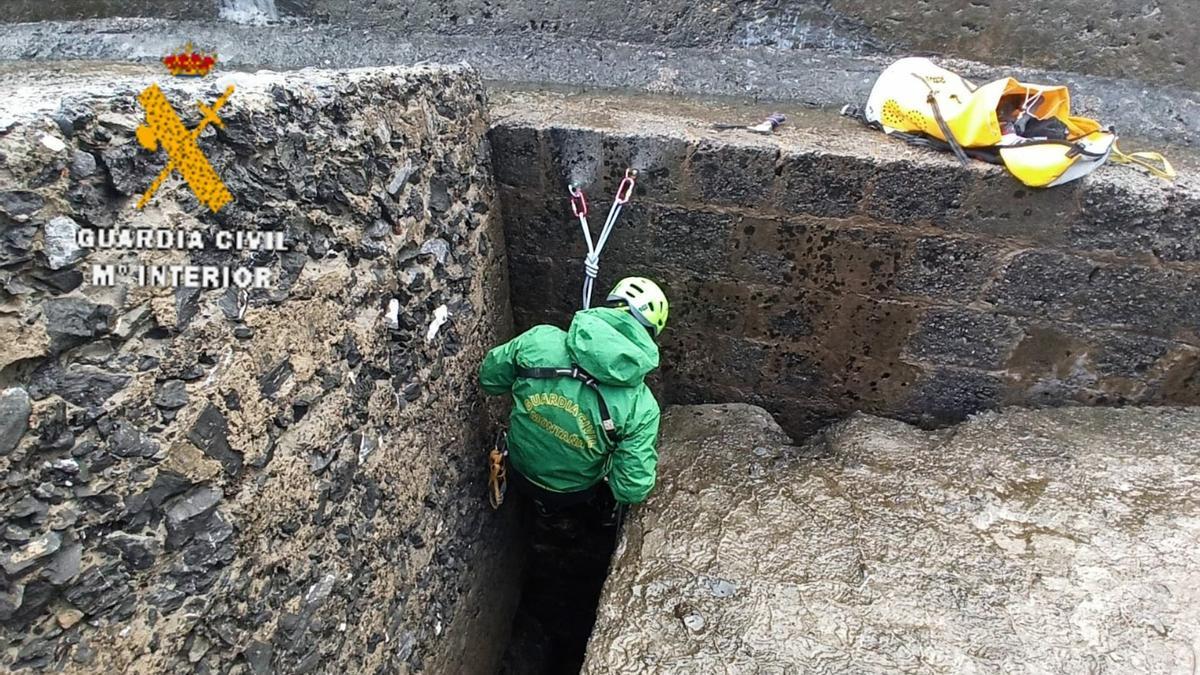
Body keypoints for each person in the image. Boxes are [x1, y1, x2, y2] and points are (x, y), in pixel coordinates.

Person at [478, 277, 668, 522]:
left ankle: (539, 510)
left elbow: (490, 379)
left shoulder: (539, 340)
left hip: (518, 466)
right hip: (575, 491)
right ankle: (558, 518)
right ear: (650, 335)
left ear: (610, 307)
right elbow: (631, 487)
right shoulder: (641, 407)